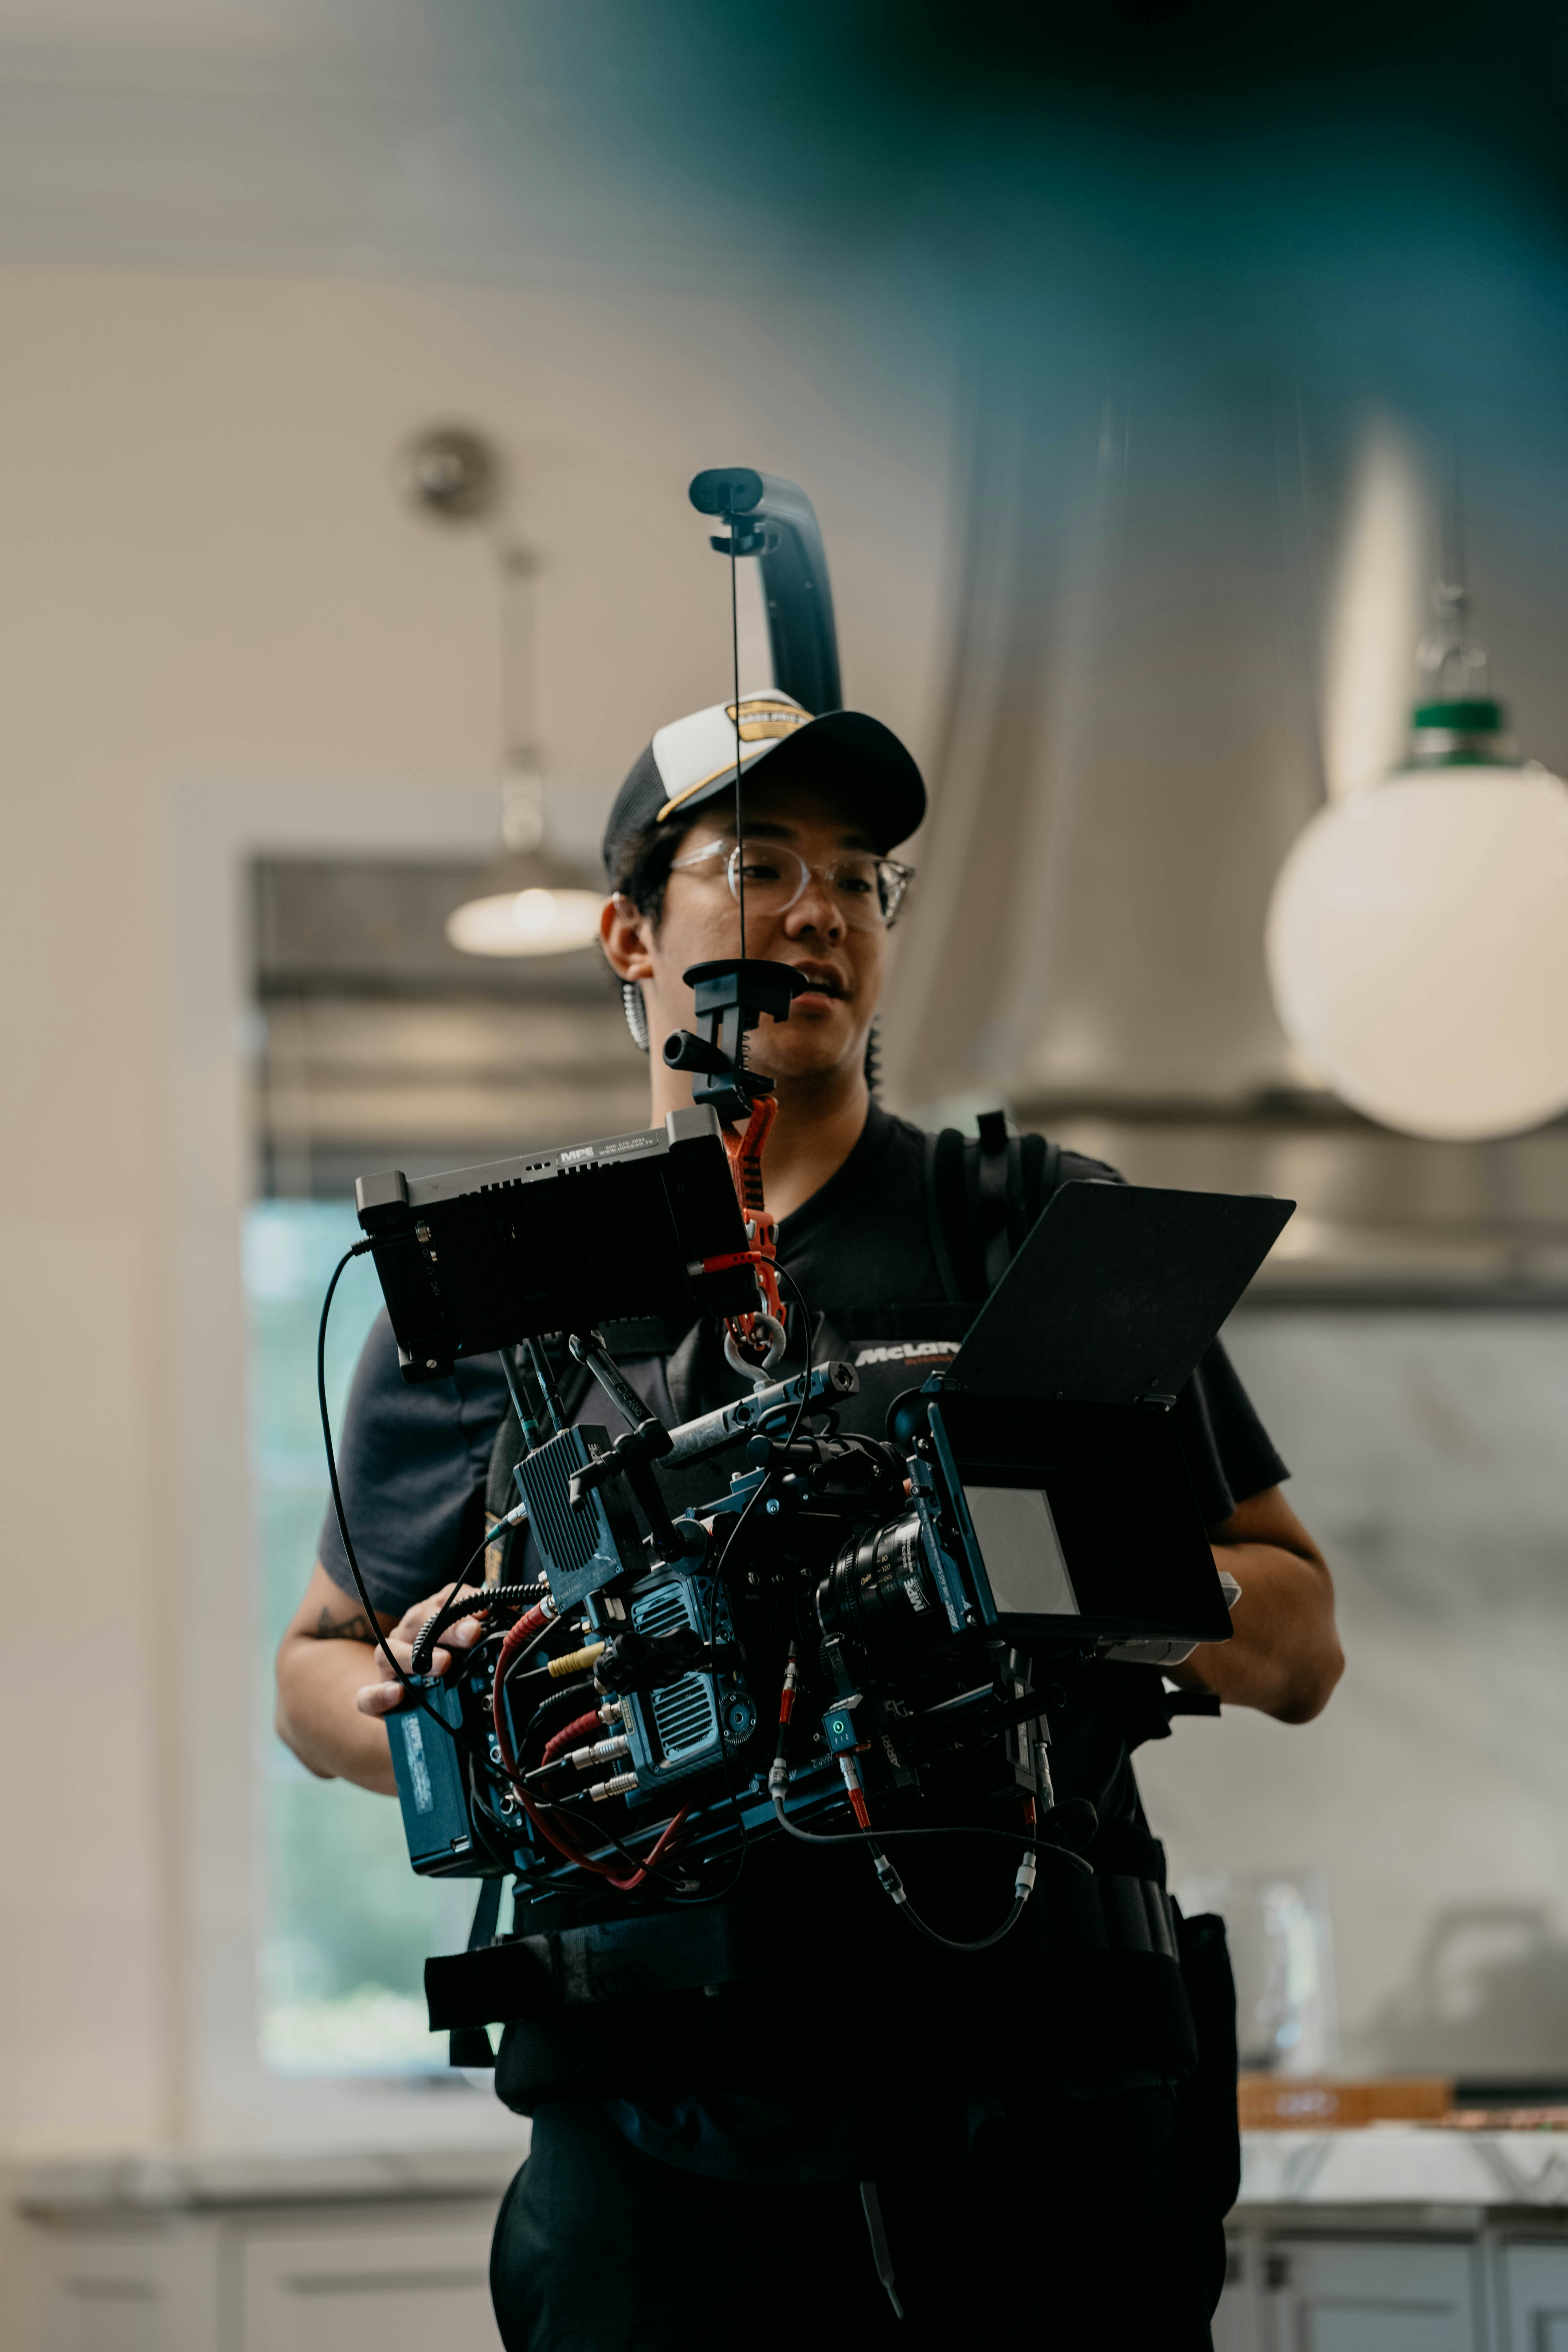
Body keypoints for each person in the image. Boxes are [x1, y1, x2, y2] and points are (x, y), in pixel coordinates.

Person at [276, 689, 1344, 2352]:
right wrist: (441, 1701)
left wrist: (1042, 1562)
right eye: (758, 860)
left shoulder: (1028, 1237)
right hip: (659, 2138)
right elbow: (317, 1673)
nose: (817, 910)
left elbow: (1296, 1636)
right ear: (632, 935)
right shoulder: (501, 1301)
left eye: (860, 876)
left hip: (1045, 2117)